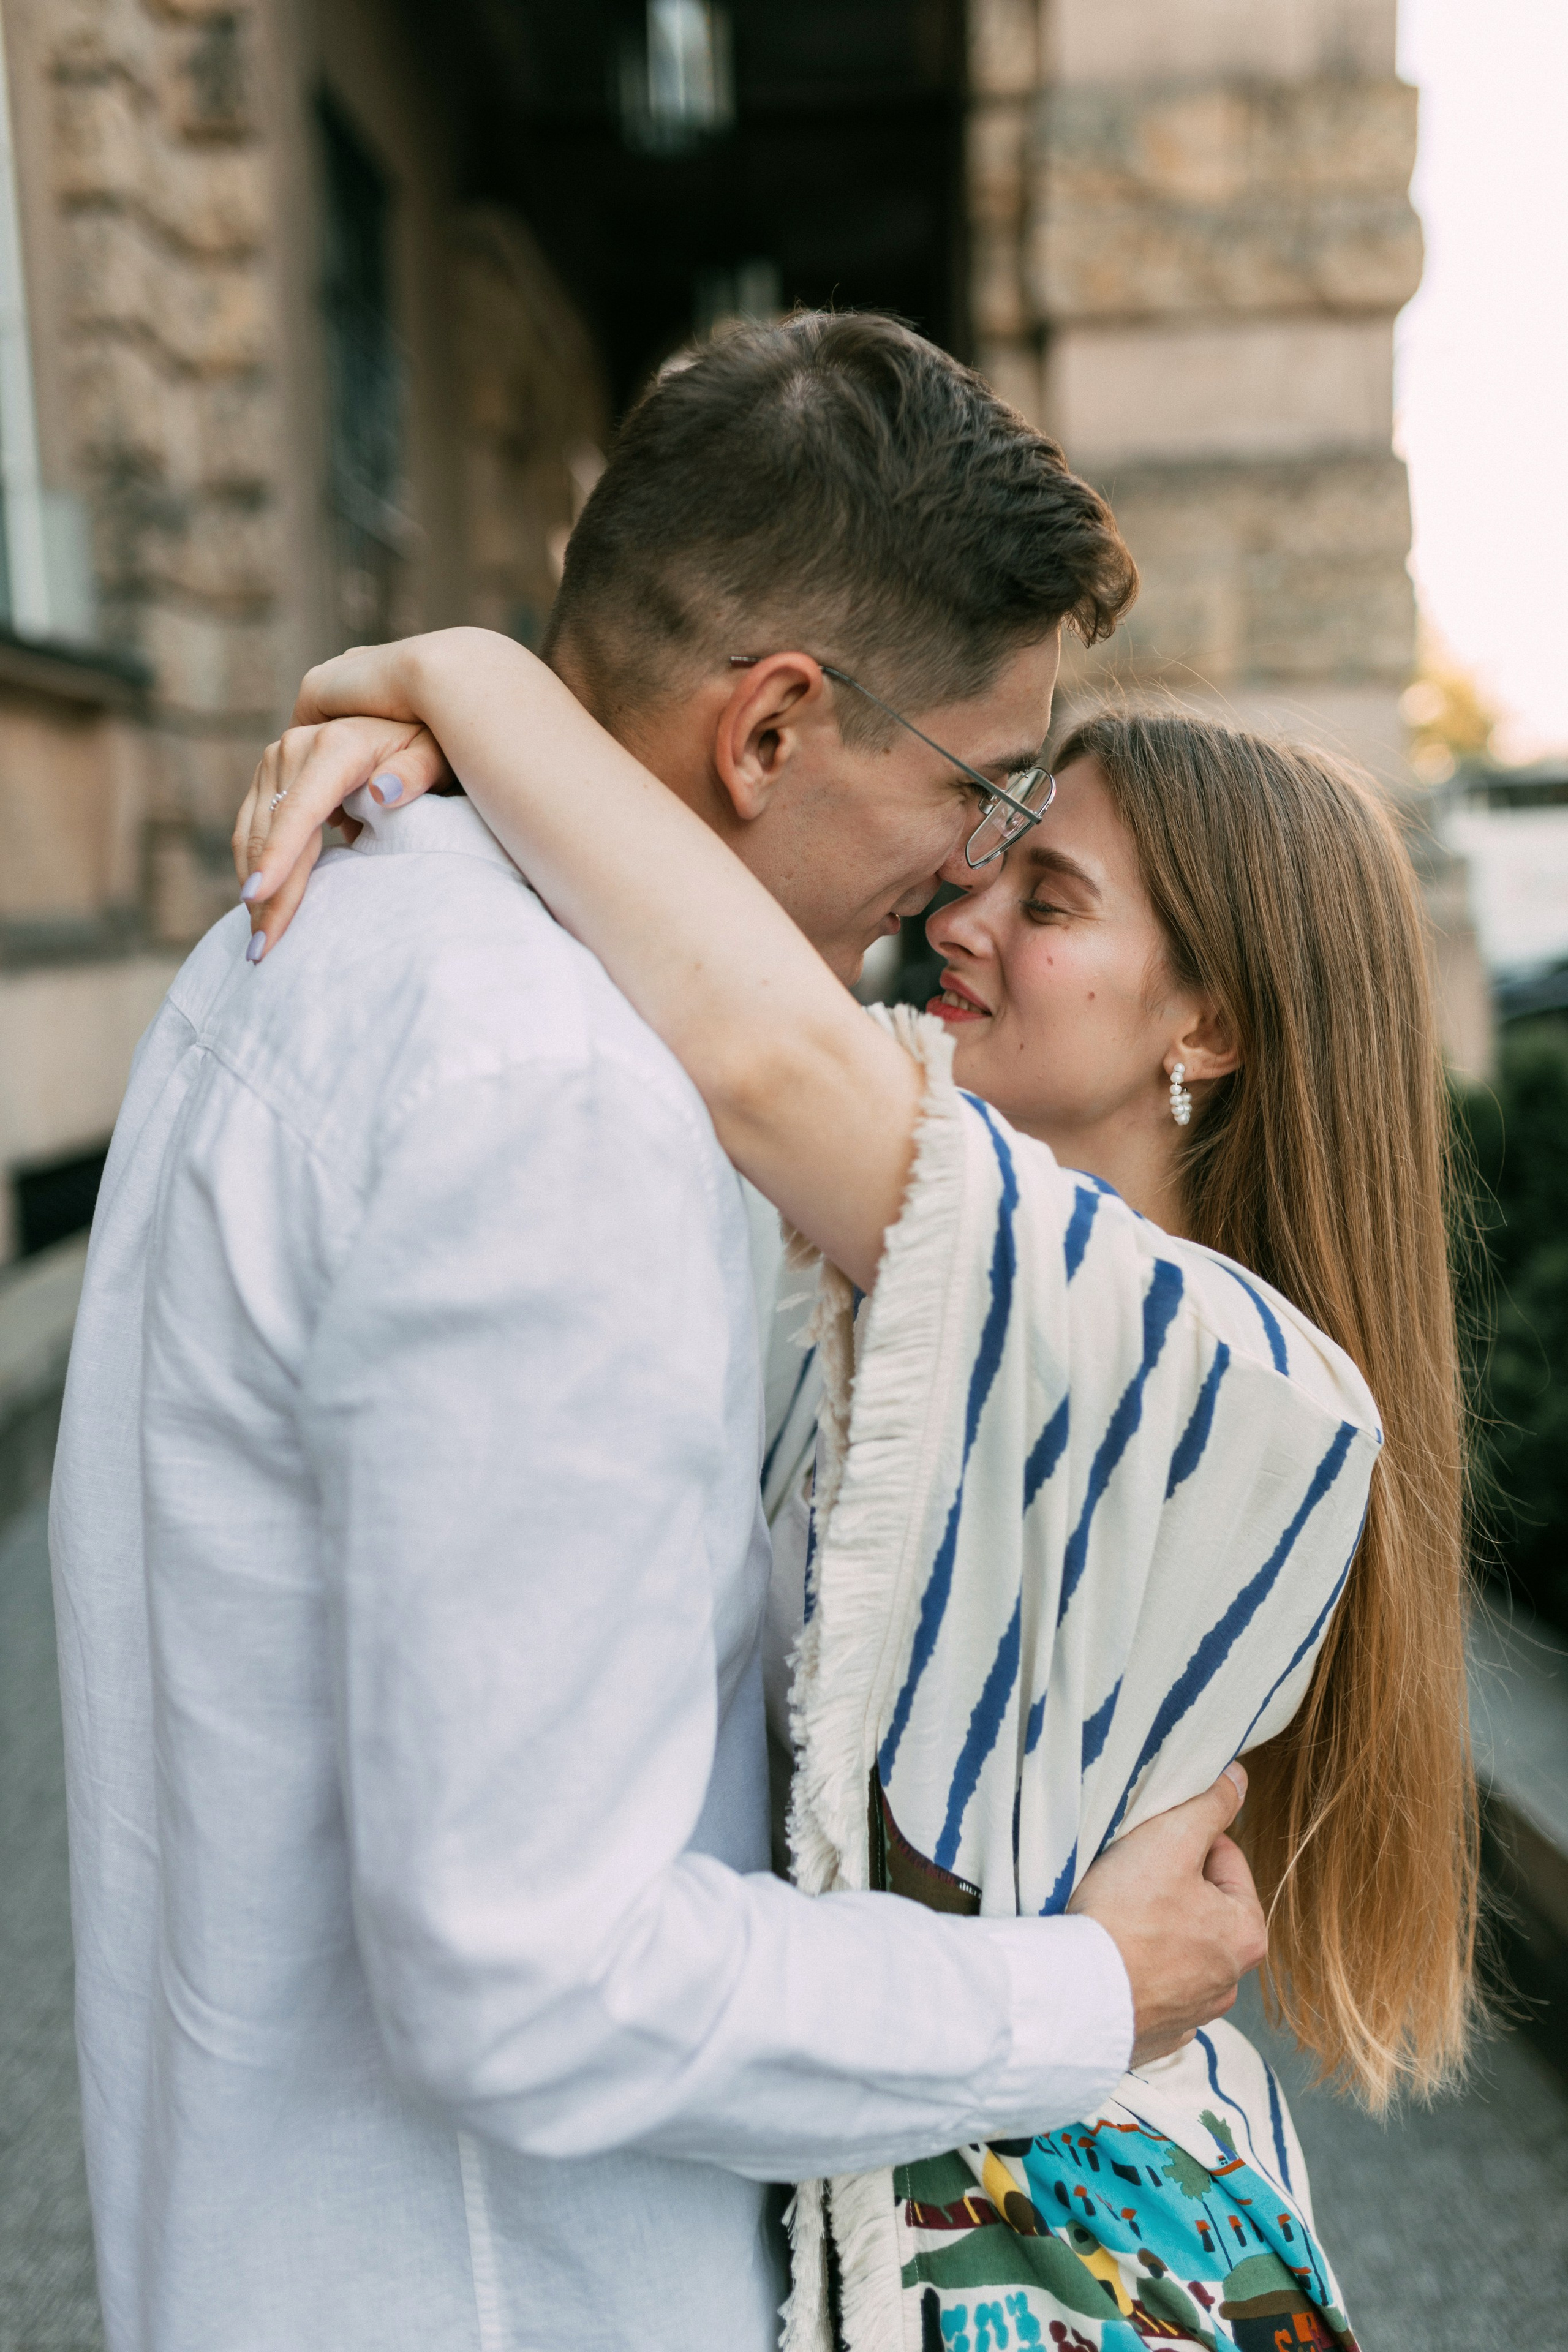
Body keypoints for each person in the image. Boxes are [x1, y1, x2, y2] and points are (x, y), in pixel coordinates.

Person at [49, 314, 1267, 2352]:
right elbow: (538, 1970)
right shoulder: (564, 1100)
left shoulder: (326, 924)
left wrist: (455, 700)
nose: (962, 873)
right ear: (772, 729)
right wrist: (1080, 1994)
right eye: (975, 790)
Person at [237, 627, 1478, 2352]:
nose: (959, 917)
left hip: (1069, 2269)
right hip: (923, 2199)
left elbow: (757, 1048)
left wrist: (456, 680)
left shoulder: (1227, 1368)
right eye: (991, 859)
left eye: (1048, 903)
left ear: (1210, 1019)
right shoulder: (939, 1294)